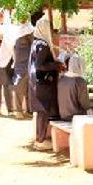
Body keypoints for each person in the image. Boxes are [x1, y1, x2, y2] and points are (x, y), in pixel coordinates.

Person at [29, 17, 64, 149]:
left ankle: (39, 138)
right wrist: (56, 65)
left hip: (38, 82)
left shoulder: (36, 43)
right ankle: (41, 141)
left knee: (40, 111)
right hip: (43, 81)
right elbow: (40, 65)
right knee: (43, 110)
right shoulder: (42, 45)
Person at [56, 54, 93, 121]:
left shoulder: (62, 79)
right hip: (76, 115)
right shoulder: (79, 81)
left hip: (63, 115)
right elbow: (85, 105)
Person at [12, 19, 35, 116]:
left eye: (24, 17)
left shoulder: (29, 30)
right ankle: (19, 110)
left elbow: (34, 46)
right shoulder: (16, 30)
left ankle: (29, 110)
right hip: (18, 63)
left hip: (28, 63)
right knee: (18, 86)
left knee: (29, 88)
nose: (22, 20)